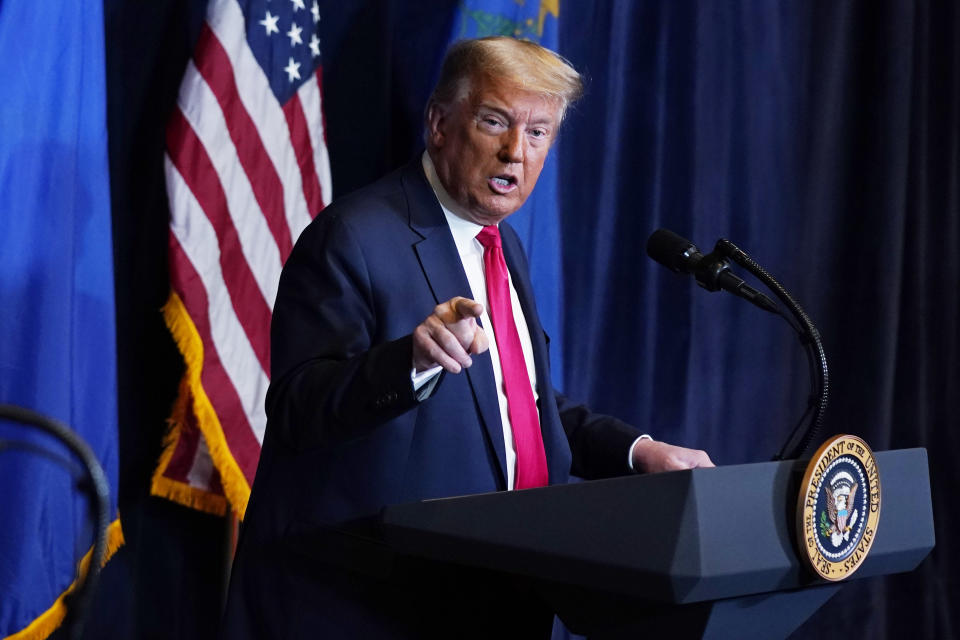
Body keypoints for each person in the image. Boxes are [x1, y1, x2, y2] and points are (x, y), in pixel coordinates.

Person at [221, 36, 713, 639]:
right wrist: (410, 362)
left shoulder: (502, 245)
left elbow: (519, 406)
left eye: (538, 134)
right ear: (439, 123)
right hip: (362, 606)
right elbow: (298, 406)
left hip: (490, 596)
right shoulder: (354, 237)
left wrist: (637, 452)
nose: (515, 153)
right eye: (494, 122)